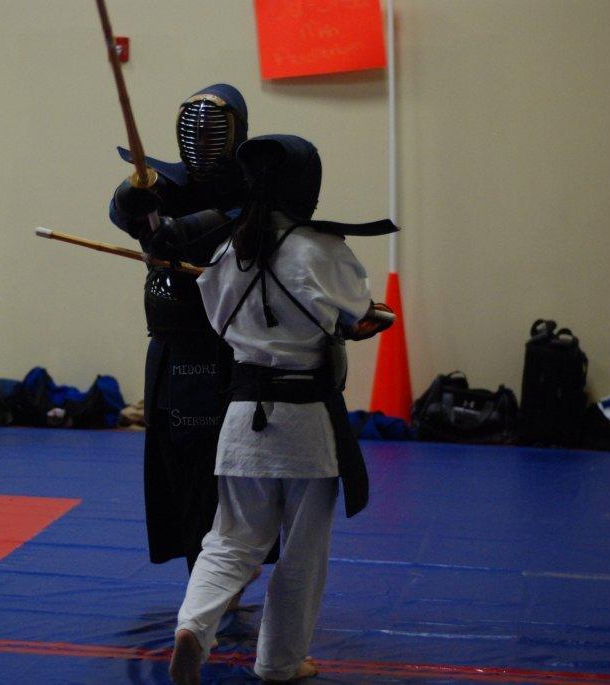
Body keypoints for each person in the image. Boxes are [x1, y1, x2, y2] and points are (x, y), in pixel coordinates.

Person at [168, 135, 396, 683]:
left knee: (229, 540)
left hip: (242, 419)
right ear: (306, 186)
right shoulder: (321, 249)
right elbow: (358, 314)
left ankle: (193, 625)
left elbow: (219, 323)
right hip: (305, 421)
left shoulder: (228, 252)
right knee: (301, 552)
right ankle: (279, 662)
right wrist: (363, 320)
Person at [109, 84, 261, 576]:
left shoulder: (250, 191)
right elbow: (123, 215)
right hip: (169, 347)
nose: (201, 140)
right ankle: (202, 573)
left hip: (223, 351)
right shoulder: (167, 186)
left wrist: (189, 229)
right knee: (176, 465)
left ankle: (222, 571)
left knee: (220, 467)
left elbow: (239, 222)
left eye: (213, 129)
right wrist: (131, 195)